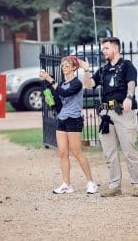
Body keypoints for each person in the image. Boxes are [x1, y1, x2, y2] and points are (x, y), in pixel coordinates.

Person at [78, 37, 138, 197]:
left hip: (123, 112)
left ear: (115, 48)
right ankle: (115, 186)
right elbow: (89, 85)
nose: (103, 51)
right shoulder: (103, 69)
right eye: (103, 49)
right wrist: (86, 70)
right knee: (109, 152)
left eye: (106, 48)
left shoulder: (127, 65)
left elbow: (131, 83)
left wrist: (129, 97)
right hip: (106, 115)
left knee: (129, 150)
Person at [40, 56, 98, 195]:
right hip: (62, 119)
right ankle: (66, 184)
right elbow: (60, 101)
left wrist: (49, 79)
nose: (64, 66)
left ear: (74, 68)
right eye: (63, 65)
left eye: (67, 64)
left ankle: (91, 182)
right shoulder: (62, 83)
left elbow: (65, 93)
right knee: (62, 153)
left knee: (76, 151)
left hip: (74, 119)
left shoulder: (77, 83)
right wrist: (50, 98)